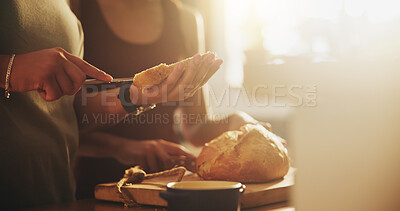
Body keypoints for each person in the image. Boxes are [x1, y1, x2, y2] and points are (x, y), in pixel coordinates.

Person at [0, 0, 221, 209]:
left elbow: (64, 114)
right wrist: (9, 68)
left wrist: (138, 97)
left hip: (60, 193)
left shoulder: (63, 7)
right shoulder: (80, 6)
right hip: (96, 189)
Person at [71, 0, 273, 199]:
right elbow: (62, 121)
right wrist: (123, 148)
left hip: (167, 187)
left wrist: (234, 121)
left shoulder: (185, 20)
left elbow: (196, 126)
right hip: (97, 188)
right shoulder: (75, 10)